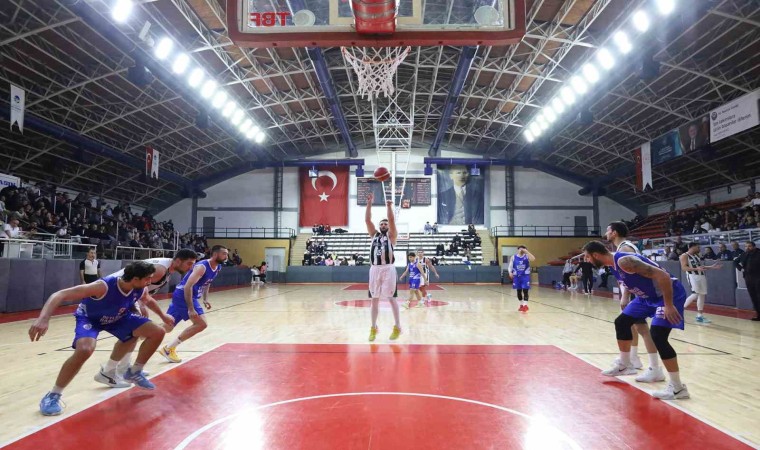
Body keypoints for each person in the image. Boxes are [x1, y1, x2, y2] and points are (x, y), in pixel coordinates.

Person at [29, 261, 165, 415]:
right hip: (90, 318)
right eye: (147, 278)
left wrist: (156, 314)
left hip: (118, 317)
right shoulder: (102, 286)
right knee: (85, 350)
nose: (150, 281)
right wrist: (43, 318)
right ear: (134, 279)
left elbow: (141, 300)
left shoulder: (140, 289)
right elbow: (60, 294)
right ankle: (53, 395)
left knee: (157, 332)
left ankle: (134, 371)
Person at [584, 241, 690, 400]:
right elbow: (627, 280)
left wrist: (668, 305)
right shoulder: (612, 264)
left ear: (596, 255)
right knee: (622, 322)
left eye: (587, 257)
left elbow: (663, 276)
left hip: (667, 295)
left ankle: (677, 387)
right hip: (645, 297)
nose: (587, 260)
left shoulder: (624, 261)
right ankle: (625, 364)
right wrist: (625, 296)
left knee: (658, 336)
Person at [94, 249, 198, 387]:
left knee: (134, 333)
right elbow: (135, 286)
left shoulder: (165, 268)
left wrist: (143, 304)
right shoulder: (159, 270)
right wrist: (142, 305)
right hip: (114, 295)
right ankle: (110, 371)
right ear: (178, 261)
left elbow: (144, 292)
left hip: (122, 296)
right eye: (189, 264)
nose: (190, 268)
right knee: (135, 332)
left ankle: (123, 368)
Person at [605, 221, 661, 382]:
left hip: (641, 291)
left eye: (608, 230)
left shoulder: (625, 249)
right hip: (638, 290)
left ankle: (653, 367)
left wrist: (625, 295)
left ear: (614, 232)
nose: (606, 233)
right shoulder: (623, 247)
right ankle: (633, 358)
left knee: (644, 330)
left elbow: (631, 275)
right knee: (632, 325)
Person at [159, 245, 228, 363]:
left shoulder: (218, 267)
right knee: (201, 324)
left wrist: (205, 298)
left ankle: (138, 334)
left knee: (168, 326)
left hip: (183, 295)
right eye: (224, 254)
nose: (226, 256)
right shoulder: (202, 266)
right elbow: (188, 286)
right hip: (184, 295)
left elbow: (207, 283)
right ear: (216, 254)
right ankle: (169, 348)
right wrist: (191, 308)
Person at [365, 192, 401, 341]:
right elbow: (367, 220)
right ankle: (373, 327)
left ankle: (398, 327)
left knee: (391, 298)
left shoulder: (392, 236)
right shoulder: (374, 235)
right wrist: (369, 203)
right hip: (374, 269)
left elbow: (391, 219)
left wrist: (389, 206)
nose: (383, 225)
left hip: (388, 269)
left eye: (385, 224)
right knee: (374, 299)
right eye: (382, 224)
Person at [680, 243, 722, 324]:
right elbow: (684, 268)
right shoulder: (684, 255)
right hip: (692, 276)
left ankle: (699, 316)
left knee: (702, 295)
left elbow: (700, 267)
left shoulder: (696, 256)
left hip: (701, 276)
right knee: (695, 294)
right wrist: (696, 268)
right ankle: (679, 310)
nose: (699, 248)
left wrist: (712, 267)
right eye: (698, 247)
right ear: (692, 247)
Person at [736, 241, 760, 321]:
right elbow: (735, 262)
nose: (747, 248)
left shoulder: (758, 253)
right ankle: (758, 315)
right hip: (748, 278)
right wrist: (741, 268)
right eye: (746, 246)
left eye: (749, 246)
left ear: (754, 246)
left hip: (758, 277)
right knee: (753, 297)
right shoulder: (744, 254)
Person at [509, 246, 535, 312]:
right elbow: (510, 266)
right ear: (518, 250)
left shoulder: (527, 256)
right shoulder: (513, 257)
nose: (522, 250)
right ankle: (521, 304)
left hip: (525, 276)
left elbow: (533, 259)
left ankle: (525, 305)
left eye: (523, 249)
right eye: (520, 249)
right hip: (517, 276)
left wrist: (527, 252)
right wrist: (510, 272)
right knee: (519, 292)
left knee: (525, 291)